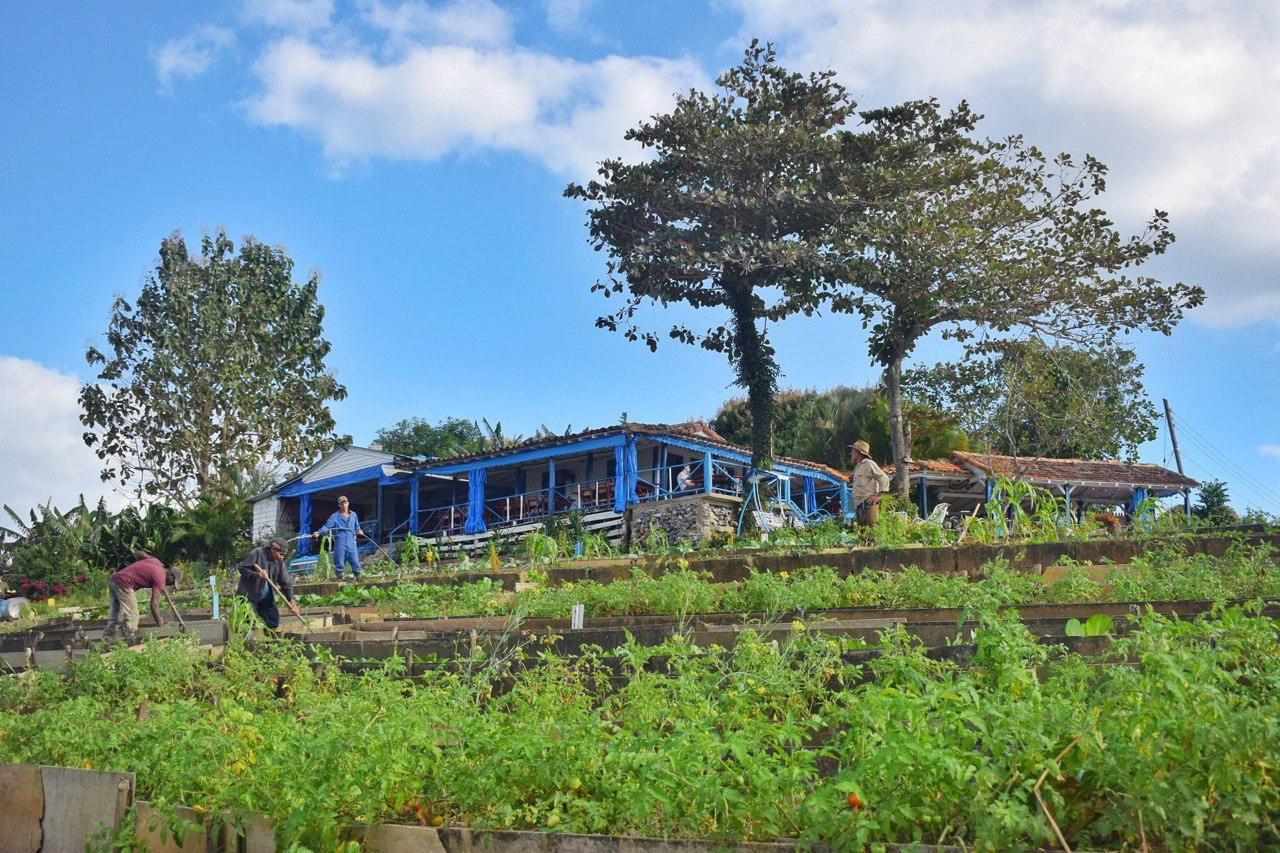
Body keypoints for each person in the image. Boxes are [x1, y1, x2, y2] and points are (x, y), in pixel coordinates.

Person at [104, 551, 182, 643]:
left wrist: (140, 567)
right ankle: (128, 640)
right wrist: (160, 624)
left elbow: (138, 553)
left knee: (115, 613)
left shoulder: (155, 561)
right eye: (172, 582)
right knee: (132, 615)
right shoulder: (160, 578)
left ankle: (107, 638)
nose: (170, 585)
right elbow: (154, 604)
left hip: (114, 580)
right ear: (171, 575)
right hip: (125, 583)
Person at [237, 537, 302, 633]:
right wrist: (257, 575)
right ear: (272, 550)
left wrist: (291, 601)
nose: (282, 557)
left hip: (266, 598)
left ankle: (271, 645)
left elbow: (286, 583)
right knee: (249, 623)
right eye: (281, 554)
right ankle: (248, 644)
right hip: (249, 596)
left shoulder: (279, 563)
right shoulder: (257, 553)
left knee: (273, 621)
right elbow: (242, 569)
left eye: (284, 555)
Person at [312, 495, 366, 580]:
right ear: (339, 505)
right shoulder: (335, 516)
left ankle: (358, 578)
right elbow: (327, 526)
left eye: (345, 502)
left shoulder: (353, 515)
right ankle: (341, 579)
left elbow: (357, 526)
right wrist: (319, 532)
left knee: (355, 561)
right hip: (340, 542)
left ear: (348, 503)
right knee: (340, 562)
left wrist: (359, 530)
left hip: (351, 542)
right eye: (342, 503)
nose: (344, 505)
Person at [849, 440, 890, 526]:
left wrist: (878, 496)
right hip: (859, 506)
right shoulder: (858, 467)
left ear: (858, 453)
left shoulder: (869, 464)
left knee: (871, 535)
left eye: (852, 451)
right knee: (862, 536)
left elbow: (884, 477)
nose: (851, 453)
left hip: (868, 505)